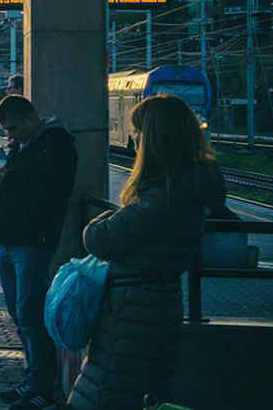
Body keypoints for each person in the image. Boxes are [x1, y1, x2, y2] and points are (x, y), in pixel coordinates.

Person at [67, 95, 226, 410]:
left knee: (107, 391)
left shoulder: (162, 197)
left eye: (138, 133)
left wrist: (106, 216)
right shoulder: (189, 186)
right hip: (157, 303)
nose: (134, 141)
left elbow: (97, 238)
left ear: (154, 138)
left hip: (134, 311)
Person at [0, 95, 77, 410]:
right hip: (9, 239)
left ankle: (42, 388)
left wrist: (8, 178)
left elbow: (47, 187)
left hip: (33, 241)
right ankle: (30, 380)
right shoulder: (24, 146)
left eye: (13, 129)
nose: (10, 136)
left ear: (28, 118)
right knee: (19, 313)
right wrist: (2, 180)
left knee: (31, 313)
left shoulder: (56, 144)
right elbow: (22, 184)